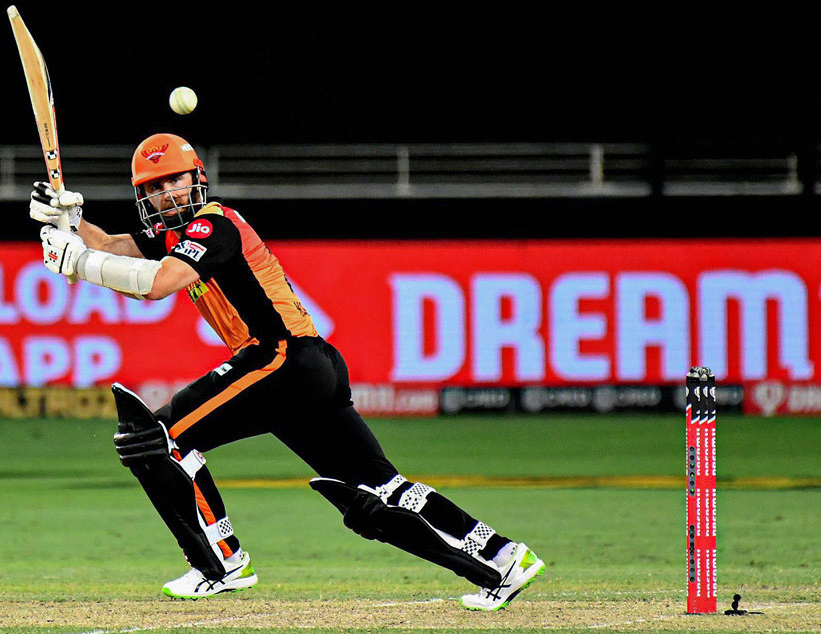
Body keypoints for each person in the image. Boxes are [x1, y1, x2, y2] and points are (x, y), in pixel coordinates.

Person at [30, 132, 544, 611]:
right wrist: (69, 221)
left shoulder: (212, 225)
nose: (166, 193)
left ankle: (220, 562)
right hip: (309, 368)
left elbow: (158, 284)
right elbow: (113, 248)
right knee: (379, 488)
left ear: (196, 178)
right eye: (153, 187)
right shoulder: (179, 235)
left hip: (280, 359)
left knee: (157, 438)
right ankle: (502, 557)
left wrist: (76, 263)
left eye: (174, 180)